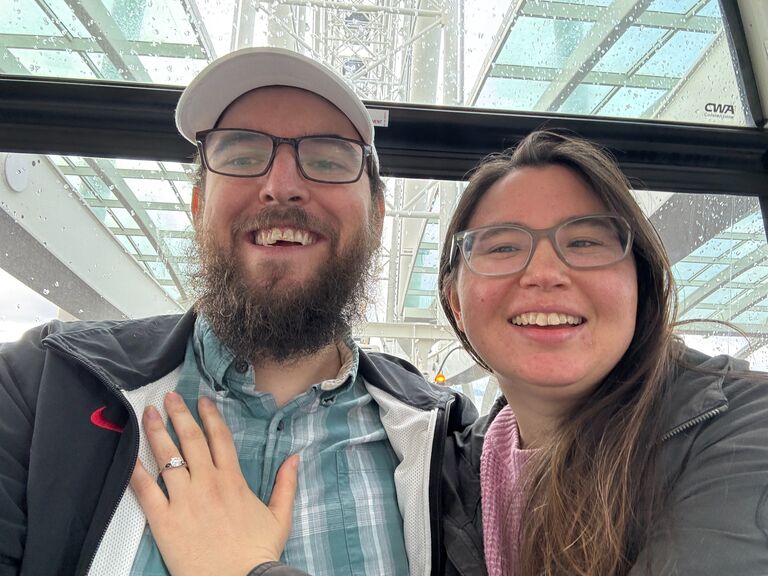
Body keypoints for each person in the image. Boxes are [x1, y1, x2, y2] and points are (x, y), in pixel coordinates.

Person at [0, 47, 477, 576]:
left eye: (327, 159)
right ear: (199, 205)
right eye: (242, 154)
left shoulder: (451, 441)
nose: (283, 186)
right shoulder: (42, 390)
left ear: (378, 218)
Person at [436, 130, 768, 575]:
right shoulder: (444, 474)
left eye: (585, 242)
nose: (545, 273)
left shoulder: (744, 429)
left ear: (640, 285)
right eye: (503, 247)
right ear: (456, 304)